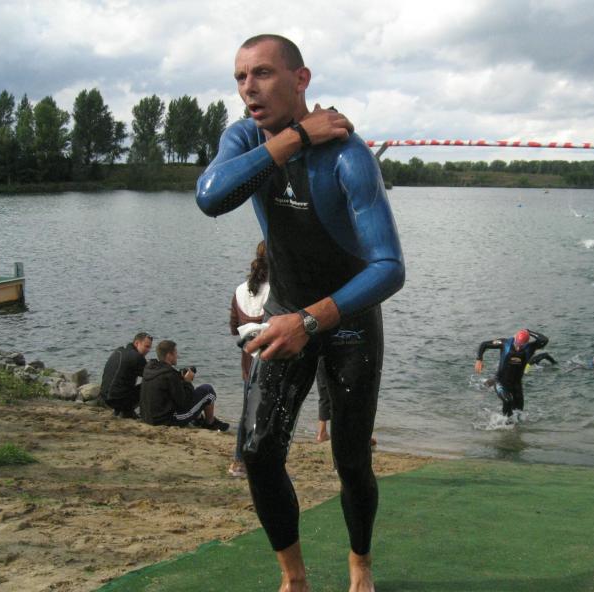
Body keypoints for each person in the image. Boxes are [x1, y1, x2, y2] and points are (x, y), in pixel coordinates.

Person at [195, 34, 404, 592]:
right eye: (240, 77)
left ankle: (360, 563)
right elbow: (210, 196)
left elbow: (389, 267)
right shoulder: (244, 136)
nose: (248, 88)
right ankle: (294, 578)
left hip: (348, 319)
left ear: (301, 78)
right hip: (284, 310)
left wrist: (310, 321)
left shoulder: (349, 156)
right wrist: (295, 138)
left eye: (262, 73)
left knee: (351, 460)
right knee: (258, 452)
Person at [229, 240, 270, 477]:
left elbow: (234, 328)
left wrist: (249, 328)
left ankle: (238, 461)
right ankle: (263, 466)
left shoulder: (239, 291)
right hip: (271, 359)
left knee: (248, 411)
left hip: (248, 360)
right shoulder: (276, 291)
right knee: (268, 415)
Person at [139, 340, 229, 431]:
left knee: (194, 394)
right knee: (208, 391)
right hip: (165, 420)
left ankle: (198, 419)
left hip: (147, 417)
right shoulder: (170, 375)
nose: (177, 356)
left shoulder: (150, 368)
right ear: (169, 355)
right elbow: (184, 403)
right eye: (175, 353)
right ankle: (210, 423)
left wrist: (180, 379)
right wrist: (187, 382)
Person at [474, 328, 549, 418]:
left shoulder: (530, 347)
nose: (518, 347)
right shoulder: (505, 343)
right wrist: (479, 359)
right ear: (515, 338)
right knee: (507, 401)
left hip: (516, 385)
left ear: (526, 343)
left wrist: (528, 331)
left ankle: (512, 425)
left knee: (519, 412)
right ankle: (504, 422)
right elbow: (484, 344)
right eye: (517, 344)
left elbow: (544, 340)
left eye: (521, 346)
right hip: (500, 382)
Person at [100, 332, 153, 419]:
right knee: (151, 383)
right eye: (146, 346)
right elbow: (154, 376)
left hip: (104, 396)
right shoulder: (137, 357)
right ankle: (141, 414)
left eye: (149, 347)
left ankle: (123, 411)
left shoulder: (118, 351)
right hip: (117, 400)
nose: (148, 350)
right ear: (137, 343)